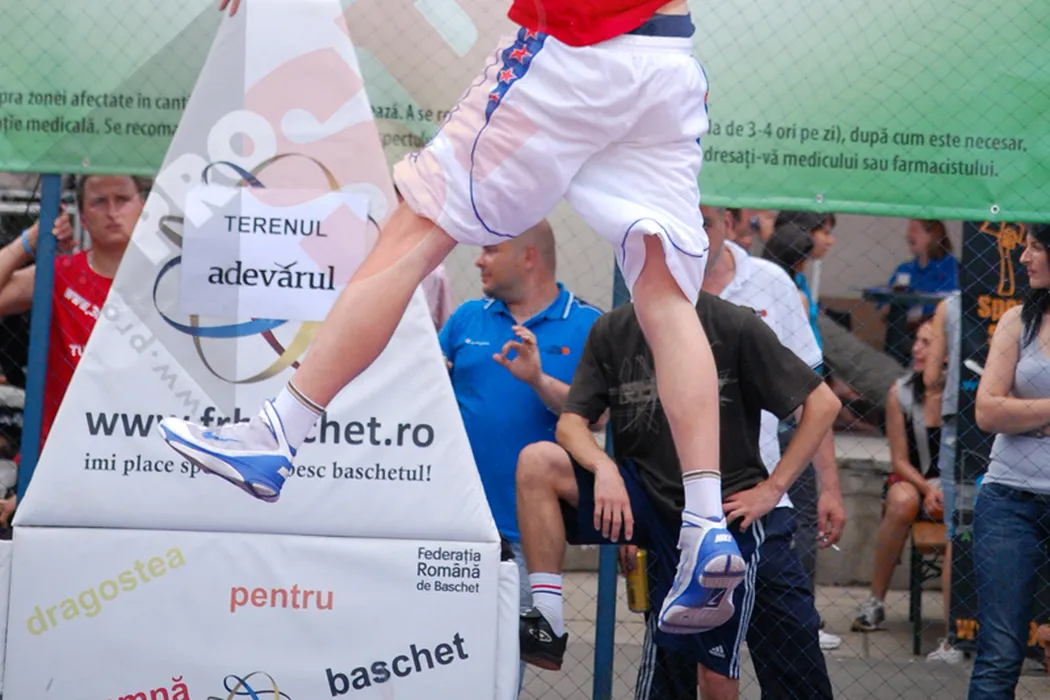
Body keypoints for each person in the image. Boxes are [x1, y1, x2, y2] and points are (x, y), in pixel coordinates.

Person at [160, 0, 744, 635]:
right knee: (664, 296)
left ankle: (279, 432)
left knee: (414, 229)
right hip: (666, 55)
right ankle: (705, 522)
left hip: (575, 44)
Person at [512, 224, 842, 690]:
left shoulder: (733, 324)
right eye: (638, 253)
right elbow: (571, 423)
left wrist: (773, 488)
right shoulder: (613, 329)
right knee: (537, 462)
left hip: (724, 514)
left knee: (720, 670)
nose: (649, 264)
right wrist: (604, 468)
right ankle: (546, 617)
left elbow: (823, 403)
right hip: (647, 502)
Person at [627, 206, 845, 700]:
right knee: (675, 667)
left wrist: (822, 487)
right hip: (676, 510)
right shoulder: (652, 289)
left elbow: (814, 398)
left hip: (757, 506)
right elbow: (633, 411)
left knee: (794, 654)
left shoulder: (770, 284)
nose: (696, 235)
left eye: (705, 222)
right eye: (683, 225)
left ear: (729, 223)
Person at [438, 220, 600, 690]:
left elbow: (601, 416)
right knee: (436, 671)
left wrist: (538, 380)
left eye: (491, 249)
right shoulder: (466, 318)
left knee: (498, 681)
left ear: (529, 256)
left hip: (524, 543)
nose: (478, 259)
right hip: (451, 535)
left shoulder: (588, 324)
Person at [0, 175, 148, 450]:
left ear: (143, 206)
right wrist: (30, 241)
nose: (112, 211)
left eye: (123, 199)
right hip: (59, 450)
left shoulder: (169, 280)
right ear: (82, 216)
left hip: (141, 451)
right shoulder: (59, 274)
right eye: (99, 202)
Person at [967, 222, 1050, 699]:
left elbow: (1005, 408)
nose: (1023, 257)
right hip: (1009, 500)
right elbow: (987, 411)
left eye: (1037, 247)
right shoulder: (1018, 320)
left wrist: (1024, 414)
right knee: (1000, 653)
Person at [852, 318, 949, 633]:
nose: (916, 349)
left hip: (954, 482)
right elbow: (899, 461)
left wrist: (946, 489)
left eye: (926, 343)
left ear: (947, 352)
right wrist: (928, 489)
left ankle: (961, 618)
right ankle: (875, 601)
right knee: (902, 500)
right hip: (914, 478)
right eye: (916, 341)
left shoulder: (967, 391)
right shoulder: (901, 393)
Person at [922, 290, 965, 664]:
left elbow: (931, 375)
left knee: (960, 531)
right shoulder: (1031, 300)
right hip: (1021, 421)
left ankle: (955, 638)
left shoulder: (951, 305)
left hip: (963, 422)